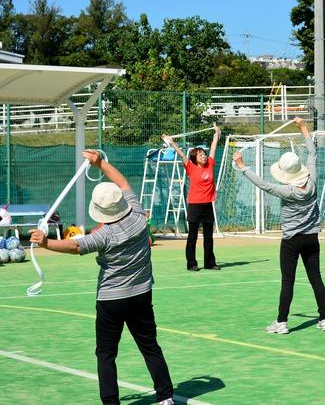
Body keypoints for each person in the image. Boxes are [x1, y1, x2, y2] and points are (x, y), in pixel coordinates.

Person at [30, 150, 174, 405]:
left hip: (111, 299)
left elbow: (76, 247)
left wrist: (45, 243)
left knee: (106, 353)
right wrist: (100, 163)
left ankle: (110, 402)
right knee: (150, 346)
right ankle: (166, 396)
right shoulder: (139, 215)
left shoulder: (104, 235)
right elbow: (123, 183)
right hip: (141, 293)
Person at [233, 117, 325, 334]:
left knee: (288, 280)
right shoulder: (312, 182)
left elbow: (263, 185)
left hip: (291, 241)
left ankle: (282, 322)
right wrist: (304, 128)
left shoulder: (287, 191)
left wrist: (242, 167)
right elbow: (312, 154)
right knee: (316, 278)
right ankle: (324, 319)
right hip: (311, 238)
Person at [162, 125, 221, 271]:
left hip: (207, 205)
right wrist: (172, 142)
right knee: (192, 237)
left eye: (204, 154)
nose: (204, 156)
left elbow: (213, 147)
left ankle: (210, 263)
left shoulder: (210, 164)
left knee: (209, 237)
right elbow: (182, 154)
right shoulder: (191, 167)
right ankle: (192, 264)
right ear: (195, 158)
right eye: (200, 155)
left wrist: (216, 134)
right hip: (194, 205)